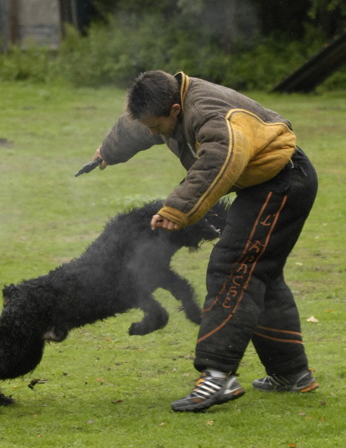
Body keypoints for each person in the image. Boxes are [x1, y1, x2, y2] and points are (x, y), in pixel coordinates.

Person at [91, 70, 318, 412]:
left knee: (233, 267)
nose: (153, 133)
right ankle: (291, 374)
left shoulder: (210, 115)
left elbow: (217, 161)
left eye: (158, 126)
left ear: (176, 109)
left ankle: (218, 376)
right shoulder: (163, 101)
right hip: (265, 185)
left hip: (283, 182)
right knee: (260, 275)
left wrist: (177, 209)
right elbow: (138, 125)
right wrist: (108, 151)